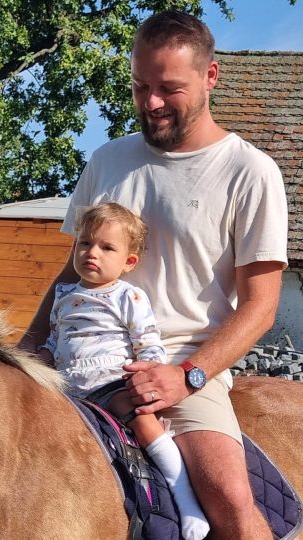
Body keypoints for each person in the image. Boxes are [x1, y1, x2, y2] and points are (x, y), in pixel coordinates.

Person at [19, 10, 288, 540]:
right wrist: (29, 343)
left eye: (169, 88)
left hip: (182, 368)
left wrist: (186, 375)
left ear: (210, 77)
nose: (152, 102)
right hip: (78, 361)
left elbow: (261, 307)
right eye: (141, 86)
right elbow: (72, 271)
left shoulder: (250, 172)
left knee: (232, 505)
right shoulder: (107, 160)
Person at [39, 202, 208, 540]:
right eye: (85, 243)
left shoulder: (127, 296)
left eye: (106, 247)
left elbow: (148, 342)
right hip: (68, 387)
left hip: (112, 381)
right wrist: (38, 358)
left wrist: (150, 372)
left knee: (144, 424)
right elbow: (55, 341)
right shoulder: (64, 295)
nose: (92, 253)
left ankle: (184, 495)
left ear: (129, 262)